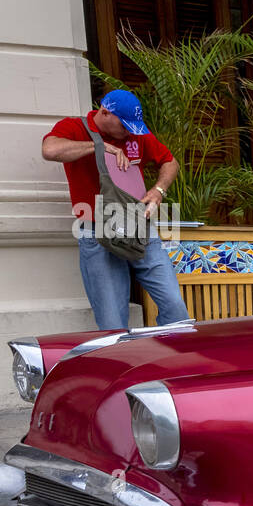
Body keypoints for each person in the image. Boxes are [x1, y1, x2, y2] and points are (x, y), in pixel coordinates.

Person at [42, 90, 190, 331]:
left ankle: (173, 361)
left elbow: (169, 161)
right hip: (96, 231)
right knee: (113, 321)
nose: (130, 131)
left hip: (138, 225)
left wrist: (159, 191)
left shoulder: (137, 134)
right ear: (105, 112)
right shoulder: (73, 127)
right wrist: (100, 146)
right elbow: (50, 150)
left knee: (174, 305)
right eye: (125, 125)